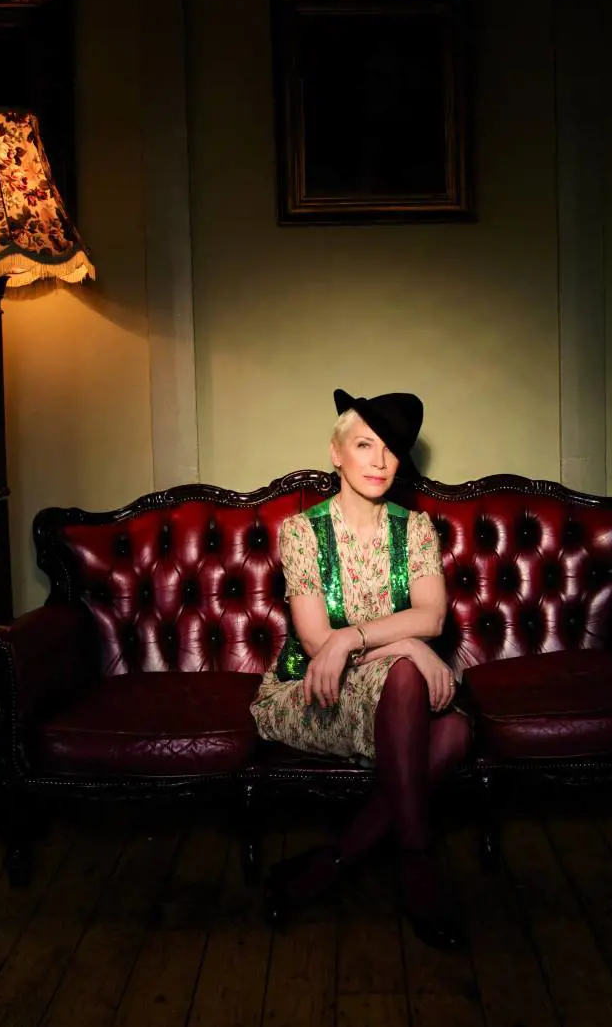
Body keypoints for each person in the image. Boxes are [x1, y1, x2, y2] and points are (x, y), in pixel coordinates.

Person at [250, 388, 472, 950]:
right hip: (314, 691)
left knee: (456, 731)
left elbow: (432, 615)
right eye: (364, 445)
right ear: (336, 453)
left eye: (391, 449)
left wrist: (361, 637)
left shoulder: (415, 528)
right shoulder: (301, 531)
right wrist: (409, 647)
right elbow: (316, 643)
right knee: (418, 689)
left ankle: (334, 861)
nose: (379, 461)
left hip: (389, 691)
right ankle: (416, 860)